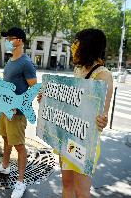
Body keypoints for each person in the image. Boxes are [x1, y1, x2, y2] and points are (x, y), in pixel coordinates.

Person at [38, 28, 113, 198]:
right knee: (67, 184)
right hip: (67, 137)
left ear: (87, 47)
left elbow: (103, 112)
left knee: (82, 191)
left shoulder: (103, 75)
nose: (73, 47)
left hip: (85, 143)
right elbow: (67, 102)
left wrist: (103, 120)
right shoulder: (78, 70)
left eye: (77, 44)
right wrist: (47, 98)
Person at [0, 27, 37, 198]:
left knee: (20, 146)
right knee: (6, 138)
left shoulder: (26, 63)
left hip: (17, 113)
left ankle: (21, 182)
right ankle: (5, 166)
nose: (7, 41)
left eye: (10, 38)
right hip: (5, 108)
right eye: (6, 39)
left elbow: (33, 88)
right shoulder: (10, 61)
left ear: (20, 41)